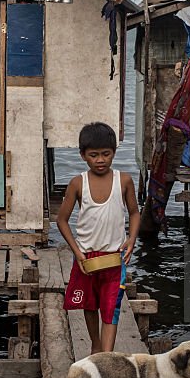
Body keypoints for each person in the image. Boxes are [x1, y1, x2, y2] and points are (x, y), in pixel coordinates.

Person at [57, 122, 140, 354]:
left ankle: (105, 355)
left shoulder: (123, 181)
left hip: (115, 258)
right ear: (83, 155)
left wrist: (131, 239)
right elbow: (61, 220)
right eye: (94, 155)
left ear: (114, 152)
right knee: (90, 305)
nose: (100, 160)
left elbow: (134, 212)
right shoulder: (77, 183)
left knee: (111, 307)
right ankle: (95, 343)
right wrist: (77, 252)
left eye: (106, 154)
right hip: (87, 258)